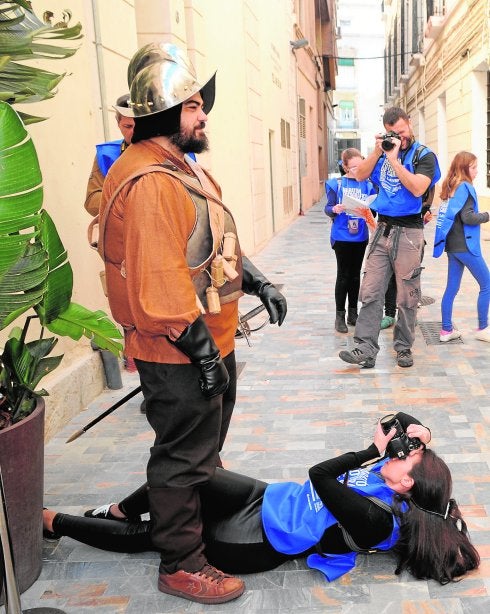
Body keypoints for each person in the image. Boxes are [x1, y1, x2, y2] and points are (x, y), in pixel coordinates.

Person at [96, 42, 287, 605]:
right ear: (162, 114)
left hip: (203, 342)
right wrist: (203, 354)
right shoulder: (151, 180)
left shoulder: (176, 164)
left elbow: (208, 241)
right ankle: (182, 564)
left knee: (197, 453)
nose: (204, 114)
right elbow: (159, 283)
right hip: (179, 348)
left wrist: (258, 282)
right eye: (193, 107)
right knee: (183, 457)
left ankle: (138, 512)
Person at [43, 411, 480, 587]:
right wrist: (417, 432)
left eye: (408, 457)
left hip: (255, 539)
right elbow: (400, 426)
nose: (398, 452)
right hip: (266, 497)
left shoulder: (377, 519)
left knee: (158, 533)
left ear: (406, 485)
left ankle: (51, 522)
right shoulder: (395, 481)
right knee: (192, 474)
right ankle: (119, 507)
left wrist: (372, 451)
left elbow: (320, 475)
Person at [339, 107, 441, 369]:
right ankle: (365, 348)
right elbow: (359, 175)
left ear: (410, 124)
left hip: (409, 232)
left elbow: (419, 188)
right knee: (371, 290)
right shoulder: (382, 153)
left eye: (402, 131)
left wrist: (395, 160)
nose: (398, 137)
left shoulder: (423, 155)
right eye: (392, 133)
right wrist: (377, 151)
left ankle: (404, 347)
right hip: (383, 229)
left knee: (407, 295)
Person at [433, 151, 490, 343]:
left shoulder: (451, 186)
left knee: (451, 288)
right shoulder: (465, 186)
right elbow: (468, 217)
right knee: (487, 284)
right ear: (464, 168)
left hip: (453, 246)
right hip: (466, 246)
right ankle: (483, 328)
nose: (477, 171)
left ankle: (446, 331)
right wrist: (487, 215)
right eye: (474, 167)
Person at [325, 148, 377, 332]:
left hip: (360, 235)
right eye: (353, 167)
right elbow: (328, 207)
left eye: (360, 165)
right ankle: (339, 314)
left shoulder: (368, 184)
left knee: (355, 275)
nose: (357, 170)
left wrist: (369, 211)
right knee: (343, 275)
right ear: (345, 167)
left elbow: (374, 210)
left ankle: (353, 313)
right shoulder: (336, 184)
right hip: (341, 235)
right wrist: (336, 209)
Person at [84, 95, 135, 217]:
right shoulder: (107, 155)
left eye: (140, 125)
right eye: (128, 126)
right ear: (118, 123)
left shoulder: (171, 150)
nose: (135, 131)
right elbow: (91, 202)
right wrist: (130, 199)